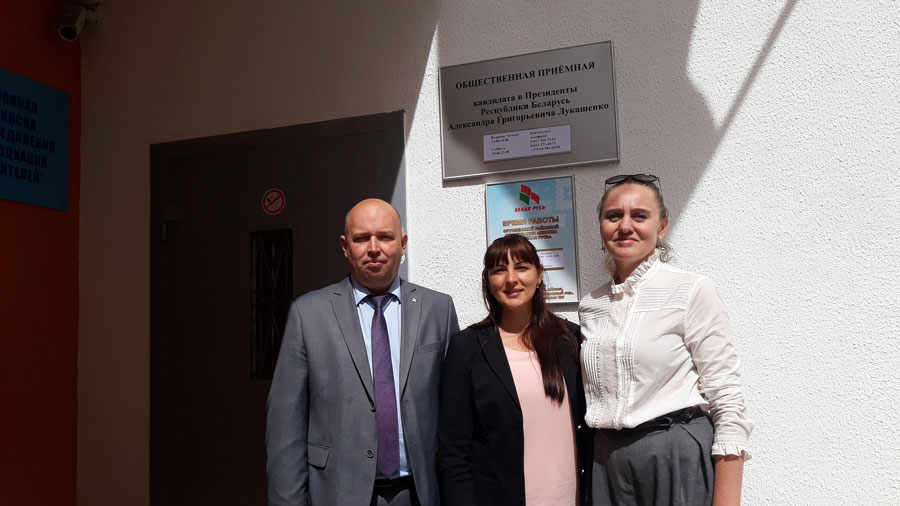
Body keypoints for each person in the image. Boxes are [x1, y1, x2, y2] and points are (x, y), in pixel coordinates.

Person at [266, 198, 460, 506]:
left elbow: (457, 417)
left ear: (403, 243)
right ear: (345, 246)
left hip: (420, 494)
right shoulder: (307, 314)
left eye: (385, 236)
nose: (373, 248)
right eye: (361, 238)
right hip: (337, 494)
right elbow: (285, 430)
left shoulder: (439, 309)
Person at [580, 174, 753, 506]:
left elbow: (727, 398)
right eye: (613, 216)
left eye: (639, 215)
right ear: (601, 227)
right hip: (606, 460)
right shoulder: (591, 305)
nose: (625, 226)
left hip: (674, 453)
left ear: (662, 227)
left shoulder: (690, 290)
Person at [438, 234, 591, 506]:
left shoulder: (570, 339)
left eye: (521, 267)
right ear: (488, 281)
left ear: (539, 275)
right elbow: (453, 452)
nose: (511, 279)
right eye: (499, 270)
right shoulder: (467, 348)